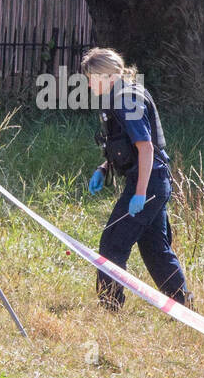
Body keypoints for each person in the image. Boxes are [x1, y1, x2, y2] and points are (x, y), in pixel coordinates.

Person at [82, 48, 194, 312]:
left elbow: (146, 147)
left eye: (91, 78)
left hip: (149, 182)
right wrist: (103, 168)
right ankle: (184, 308)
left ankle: (110, 308)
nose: (88, 85)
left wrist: (140, 193)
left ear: (107, 76)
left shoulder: (127, 99)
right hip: (152, 180)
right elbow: (127, 147)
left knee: (113, 243)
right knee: (155, 249)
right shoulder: (119, 96)